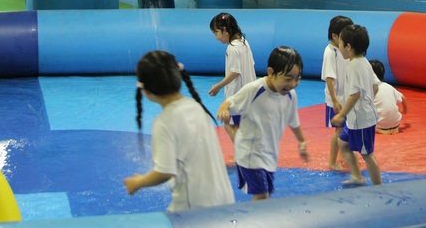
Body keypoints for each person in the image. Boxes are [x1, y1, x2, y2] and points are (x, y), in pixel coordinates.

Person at [123, 50, 235, 211]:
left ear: (146, 91)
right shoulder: (195, 106)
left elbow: (164, 172)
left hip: (196, 206)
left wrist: (138, 182)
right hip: (225, 198)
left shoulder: (164, 122)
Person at [217, 46, 309, 201]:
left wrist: (301, 141)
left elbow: (293, 121)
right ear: (271, 72)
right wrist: (223, 109)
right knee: (261, 195)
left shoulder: (290, 96)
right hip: (249, 153)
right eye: (288, 78)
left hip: (269, 154)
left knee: (265, 196)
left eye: (297, 78)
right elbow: (230, 101)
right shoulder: (255, 90)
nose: (293, 83)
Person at [331, 25, 382, 186]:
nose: (339, 47)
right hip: (359, 117)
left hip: (361, 119)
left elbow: (355, 95)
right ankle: (357, 176)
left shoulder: (354, 66)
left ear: (348, 46)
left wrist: (340, 114)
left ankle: (378, 186)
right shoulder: (364, 62)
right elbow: (375, 86)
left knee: (367, 154)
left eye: (340, 43)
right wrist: (368, 101)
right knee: (342, 143)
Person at [209, 12, 257, 141]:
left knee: (228, 125)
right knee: (241, 126)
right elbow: (251, 64)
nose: (216, 37)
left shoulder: (232, 48)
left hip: (237, 96)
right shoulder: (244, 42)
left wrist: (218, 86)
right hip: (249, 94)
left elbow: (235, 72)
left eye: (216, 32)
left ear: (225, 30)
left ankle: (243, 153)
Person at [321, 15, 354, 171]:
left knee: (346, 129)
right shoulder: (330, 52)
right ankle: (332, 162)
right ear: (335, 36)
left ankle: (342, 157)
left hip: (346, 97)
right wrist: (334, 100)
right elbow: (329, 78)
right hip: (337, 98)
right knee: (339, 130)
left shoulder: (344, 49)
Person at [369, 59, 408, 134]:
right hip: (396, 122)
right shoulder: (388, 86)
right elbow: (403, 98)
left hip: (380, 124)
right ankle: (392, 128)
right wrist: (404, 110)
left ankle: (380, 130)